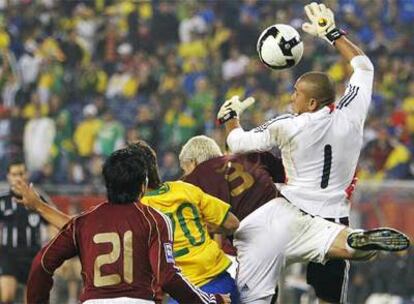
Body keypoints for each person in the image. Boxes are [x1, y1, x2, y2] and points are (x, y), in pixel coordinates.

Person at [215, 3, 405, 304]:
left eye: (297, 94)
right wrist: (332, 33)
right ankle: (355, 244)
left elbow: (237, 143)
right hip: (334, 217)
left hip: (290, 214)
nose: (292, 98)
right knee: (328, 296)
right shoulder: (352, 113)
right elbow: (364, 67)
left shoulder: (288, 126)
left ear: (312, 103)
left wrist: (230, 118)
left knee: (260, 269)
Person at [178, 135, 409, 304]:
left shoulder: (191, 182)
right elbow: (288, 175)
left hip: (251, 234)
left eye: (185, 168)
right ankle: (356, 239)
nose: (184, 173)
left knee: (251, 299)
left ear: (193, 162)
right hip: (281, 210)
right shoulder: (248, 157)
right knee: (335, 241)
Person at [14, 141, 240, 303]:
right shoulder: (176, 199)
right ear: (144, 180)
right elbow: (232, 223)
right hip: (205, 280)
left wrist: (39, 206)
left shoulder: (88, 221)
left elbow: (55, 248)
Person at [0, 158, 49, 303]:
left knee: (32, 299)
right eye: (14, 174)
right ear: (8, 176)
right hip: (9, 255)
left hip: (33, 255)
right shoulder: (2, 200)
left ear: (27, 175)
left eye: (21, 173)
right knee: (7, 296)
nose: (18, 178)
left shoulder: (38, 198)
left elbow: (51, 222)